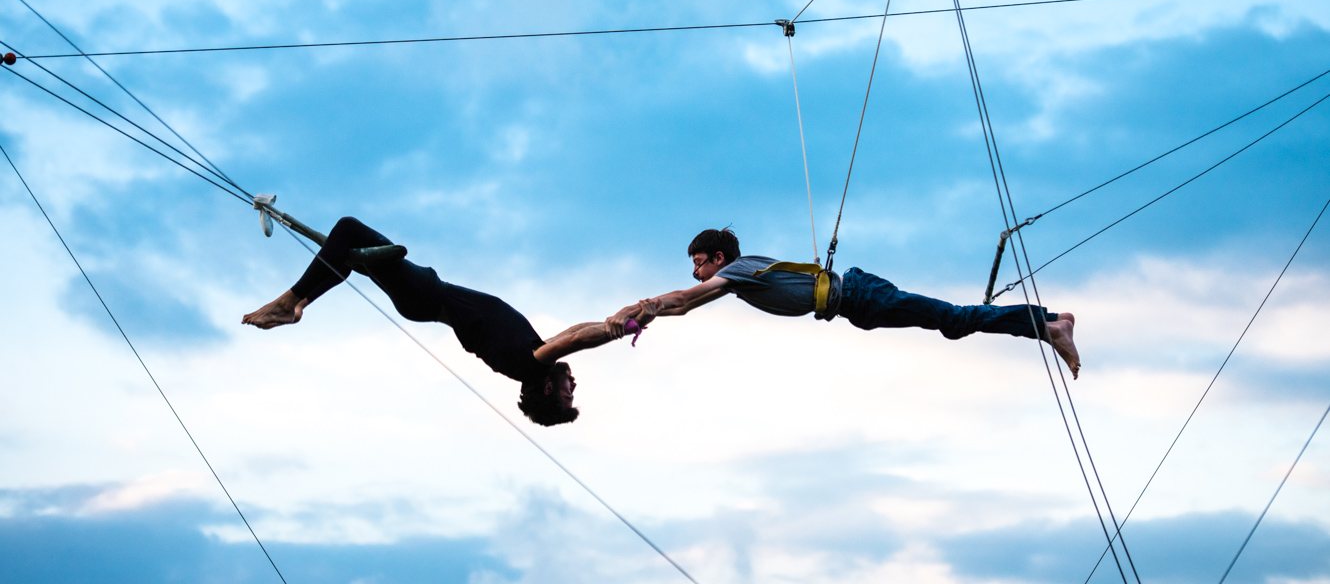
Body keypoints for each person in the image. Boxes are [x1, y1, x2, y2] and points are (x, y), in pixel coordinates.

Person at [243, 217, 648, 425]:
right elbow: (575, 332)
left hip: (426, 294)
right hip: (423, 299)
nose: (572, 385)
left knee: (350, 230)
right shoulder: (530, 355)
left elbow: (576, 341)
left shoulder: (530, 362)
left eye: (566, 395)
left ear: (545, 389)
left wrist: (617, 332)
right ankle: (298, 299)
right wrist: (617, 318)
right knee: (350, 250)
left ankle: (292, 302)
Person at [607, 228, 1081, 378]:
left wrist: (644, 309)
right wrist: (646, 312)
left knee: (953, 320)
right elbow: (689, 300)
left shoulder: (734, 271)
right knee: (950, 322)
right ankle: (1047, 323)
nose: (695, 272)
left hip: (857, 295)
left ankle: (1049, 323)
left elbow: (687, 301)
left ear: (717, 258)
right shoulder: (738, 276)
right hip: (857, 303)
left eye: (698, 262)